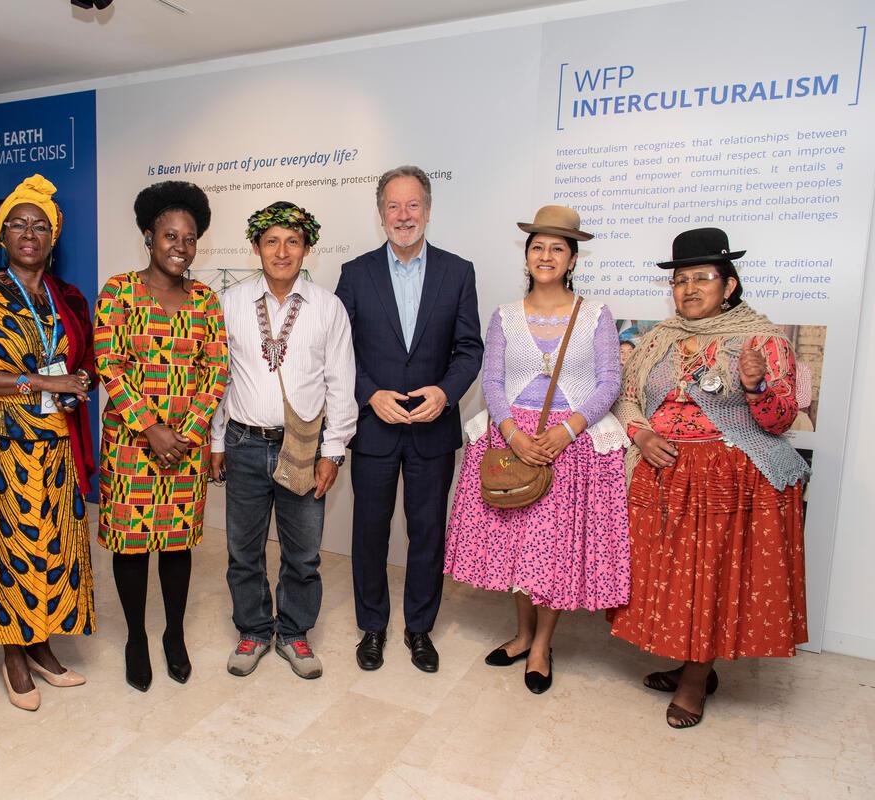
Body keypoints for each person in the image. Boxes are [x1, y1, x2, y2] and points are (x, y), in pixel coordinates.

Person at [608, 228, 810, 729]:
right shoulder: (658, 337)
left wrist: (755, 384)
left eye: (703, 278)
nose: (690, 288)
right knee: (678, 584)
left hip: (729, 479)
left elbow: (781, 420)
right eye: (681, 280)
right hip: (664, 475)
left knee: (712, 581)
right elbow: (626, 396)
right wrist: (641, 435)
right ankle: (690, 665)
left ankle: (696, 682)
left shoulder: (762, 339)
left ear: (730, 284)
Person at [443, 206, 629, 694]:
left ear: (572, 259)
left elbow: (609, 381)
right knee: (520, 544)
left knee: (553, 552)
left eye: (557, 248)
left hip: (571, 442)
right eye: (538, 247)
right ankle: (523, 633)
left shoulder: (596, 315)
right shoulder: (504, 315)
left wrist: (566, 431)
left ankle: (543, 643)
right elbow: (494, 379)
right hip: (515, 440)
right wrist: (512, 433)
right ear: (527, 256)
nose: (546, 255)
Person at [0, 175, 97, 712]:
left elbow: (83, 365)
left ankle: (42, 645)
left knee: (53, 547)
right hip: (2, 441)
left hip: (56, 442)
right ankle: (13, 656)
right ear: (3, 235)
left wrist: (78, 385)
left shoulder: (65, 297)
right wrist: (40, 382)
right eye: (18, 224)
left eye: (40, 225)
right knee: (10, 550)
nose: (29, 233)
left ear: (53, 239)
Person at [335, 165, 483, 673]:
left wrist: (445, 393)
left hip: (431, 430)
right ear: (380, 215)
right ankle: (372, 628)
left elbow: (469, 349)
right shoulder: (355, 274)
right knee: (370, 533)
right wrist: (370, 394)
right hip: (374, 428)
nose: (404, 215)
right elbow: (340, 352)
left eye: (413, 205)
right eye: (394, 207)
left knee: (428, 533)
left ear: (428, 209)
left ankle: (419, 629)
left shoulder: (457, 271)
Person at [209, 202, 357, 680]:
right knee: (243, 549)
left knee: (303, 553)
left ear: (307, 248)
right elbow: (220, 379)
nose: (282, 251)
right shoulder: (230, 303)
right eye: (271, 241)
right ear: (255, 248)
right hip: (244, 443)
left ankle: (294, 633)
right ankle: (253, 629)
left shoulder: (328, 307)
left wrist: (333, 451)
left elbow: (341, 383)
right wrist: (216, 442)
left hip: (304, 448)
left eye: (292, 241)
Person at [95, 181, 228, 692]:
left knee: (176, 545)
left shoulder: (205, 300)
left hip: (185, 449)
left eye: (190, 238)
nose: (180, 246)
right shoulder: (119, 291)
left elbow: (215, 372)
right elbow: (108, 363)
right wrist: (152, 430)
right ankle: (135, 637)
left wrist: (186, 434)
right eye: (170, 235)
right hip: (131, 444)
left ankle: (174, 633)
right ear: (149, 236)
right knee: (130, 547)